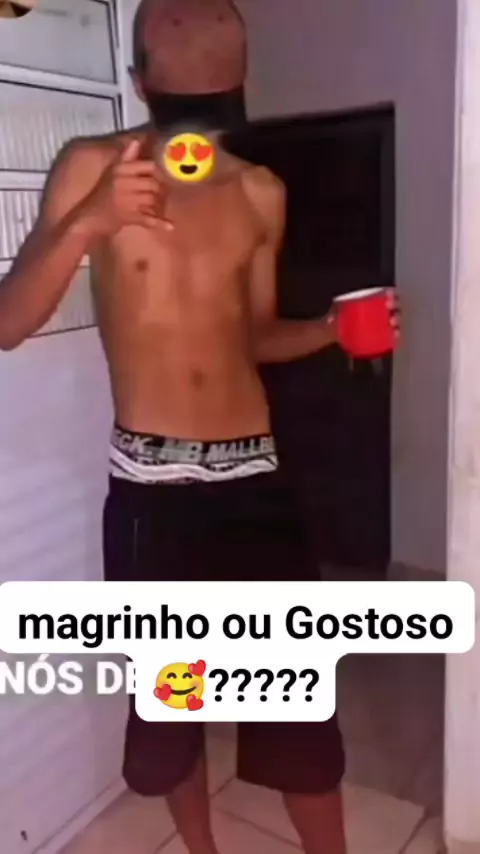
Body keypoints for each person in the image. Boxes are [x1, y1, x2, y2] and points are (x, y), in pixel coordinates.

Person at [0, 1, 400, 852]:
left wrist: (331, 329)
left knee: (297, 711)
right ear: (144, 85)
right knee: (173, 707)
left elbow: (254, 336)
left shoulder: (261, 192)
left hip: (257, 484)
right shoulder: (93, 168)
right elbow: (8, 323)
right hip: (155, 498)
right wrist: (90, 220)